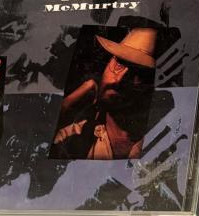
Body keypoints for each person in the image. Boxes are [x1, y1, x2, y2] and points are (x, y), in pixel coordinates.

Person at [50, 26, 159, 159]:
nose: (119, 79)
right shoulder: (70, 139)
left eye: (138, 72)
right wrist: (65, 106)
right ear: (107, 63)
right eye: (119, 63)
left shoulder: (161, 143)